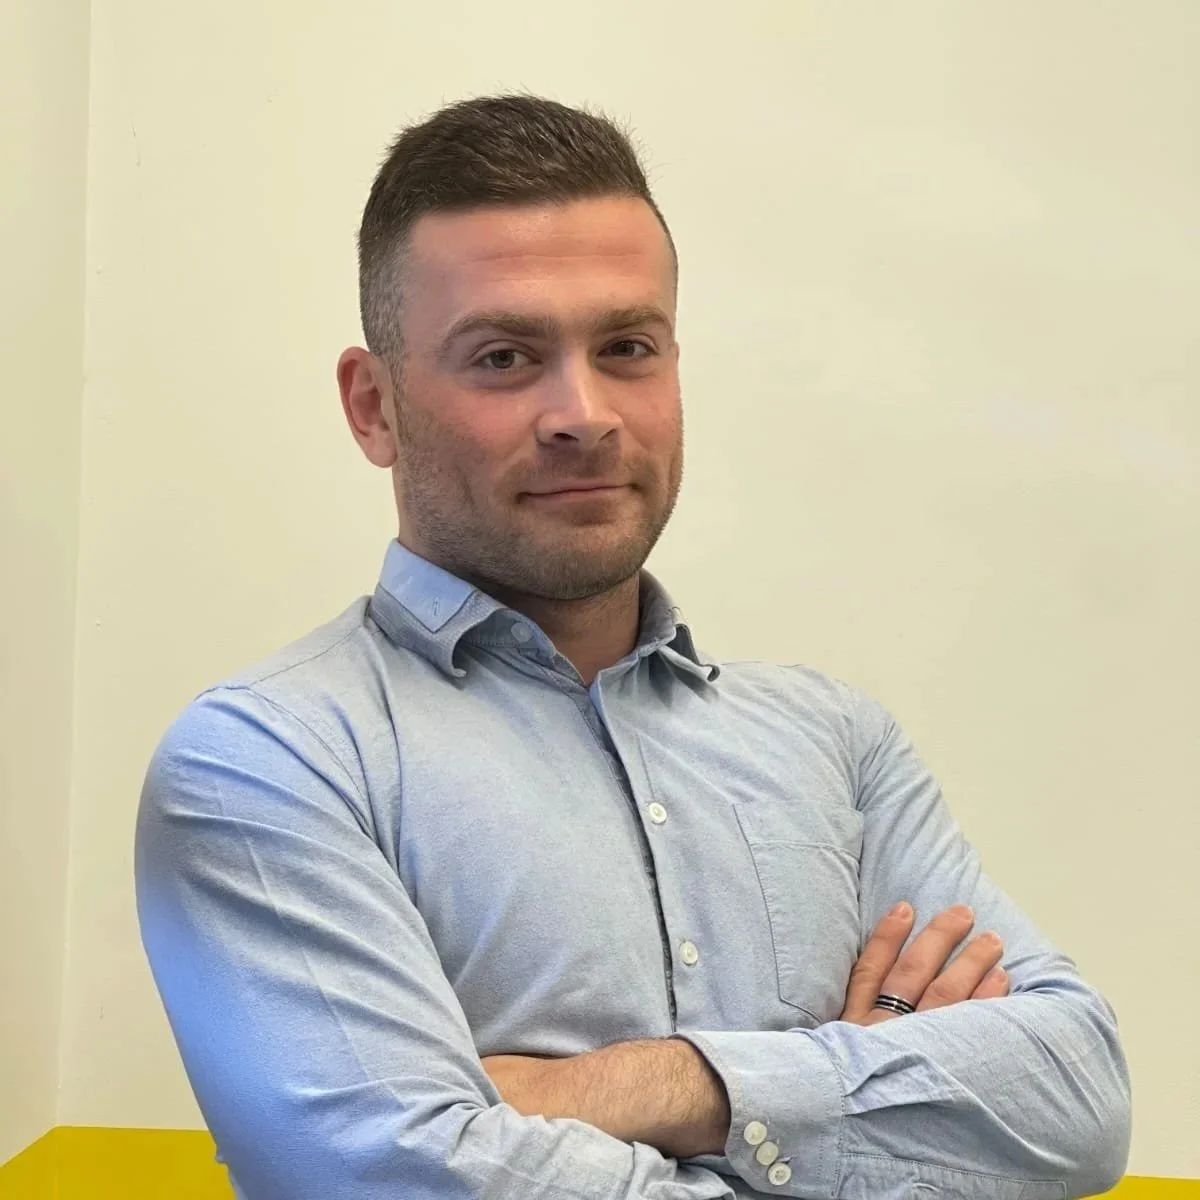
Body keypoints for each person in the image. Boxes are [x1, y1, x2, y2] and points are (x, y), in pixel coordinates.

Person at [135, 94, 1130, 1200]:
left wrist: (650, 1087)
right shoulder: (270, 762)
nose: (585, 413)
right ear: (374, 407)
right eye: (504, 357)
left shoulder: (836, 742)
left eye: (627, 348)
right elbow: (395, 1178)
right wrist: (859, 1100)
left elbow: (1079, 1103)